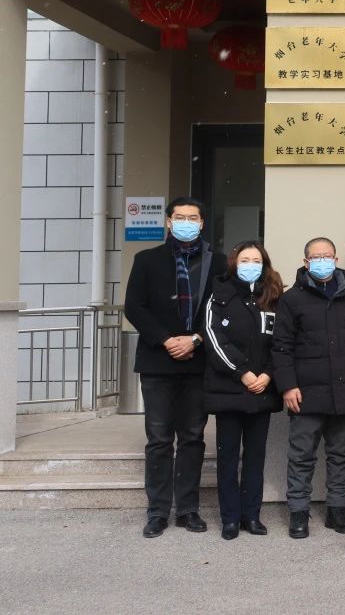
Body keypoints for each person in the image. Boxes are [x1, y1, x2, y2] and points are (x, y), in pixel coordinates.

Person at [124, 197, 226, 539]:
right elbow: (134, 307)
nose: (186, 222)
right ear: (168, 221)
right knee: (159, 439)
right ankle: (157, 511)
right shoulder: (147, 259)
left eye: (192, 218)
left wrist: (195, 339)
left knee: (193, 437)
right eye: (179, 217)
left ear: (202, 223)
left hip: (198, 363)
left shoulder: (217, 262)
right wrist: (166, 340)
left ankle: (187, 509)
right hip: (158, 362)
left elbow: (220, 310)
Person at [273, 237, 345, 540]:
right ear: (306, 263)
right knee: (301, 455)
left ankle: (337, 509)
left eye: (327, 256)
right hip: (306, 392)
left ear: (336, 260)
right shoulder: (292, 299)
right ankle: (298, 511)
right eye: (316, 257)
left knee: (341, 453)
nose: (322, 261)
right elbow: (281, 347)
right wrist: (288, 386)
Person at [203, 241, 284, 539]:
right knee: (227, 457)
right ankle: (230, 517)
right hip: (229, 389)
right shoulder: (219, 295)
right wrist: (242, 373)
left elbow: (282, 341)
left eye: (256, 260)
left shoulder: (273, 296)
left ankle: (252, 515)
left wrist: (268, 374)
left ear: (265, 264)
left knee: (255, 456)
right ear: (234, 264)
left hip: (263, 389)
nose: (251, 265)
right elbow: (214, 338)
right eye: (245, 260)